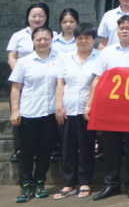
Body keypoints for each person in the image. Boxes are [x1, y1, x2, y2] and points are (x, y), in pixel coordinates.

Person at [85, 14, 129, 200]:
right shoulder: (107, 51)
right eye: (121, 28)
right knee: (111, 147)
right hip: (110, 107)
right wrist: (89, 104)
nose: (124, 31)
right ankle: (111, 184)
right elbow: (97, 79)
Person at [9, 26, 59, 203]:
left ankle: (39, 183)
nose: (42, 42)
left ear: (52, 39)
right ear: (33, 41)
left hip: (50, 113)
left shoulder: (60, 59)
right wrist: (15, 110)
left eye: (46, 38)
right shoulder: (24, 62)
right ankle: (25, 184)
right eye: (38, 39)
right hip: (28, 112)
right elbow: (16, 88)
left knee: (45, 150)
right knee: (26, 151)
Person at [54, 22, 100, 199]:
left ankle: (85, 182)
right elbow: (60, 83)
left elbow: (97, 83)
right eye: (79, 38)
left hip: (88, 110)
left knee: (86, 147)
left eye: (87, 38)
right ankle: (68, 184)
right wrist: (59, 106)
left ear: (94, 39)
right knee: (68, 148)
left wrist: (89, 105)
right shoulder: (66, 58)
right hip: (67, 108)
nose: (83, 41)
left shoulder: (99, 58)